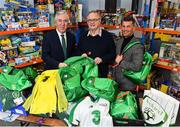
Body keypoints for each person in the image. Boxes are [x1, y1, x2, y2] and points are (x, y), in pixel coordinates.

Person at [77, 10, 116, 78]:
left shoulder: (108, 36)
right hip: (85, 75)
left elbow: (112, 54)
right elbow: (77, 50)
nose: (92, 22)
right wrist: (82, 54)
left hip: (101, 75)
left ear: (100, 21)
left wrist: (102, 59)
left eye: (95, 19)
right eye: (89, 20)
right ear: (87, 22)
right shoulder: (83, 36)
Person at [112, 16, 144, 90]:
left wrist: (120, 62)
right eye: (123, 26)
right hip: (116, 82)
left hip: (128, 85)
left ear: (133, 28)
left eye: (128, 26)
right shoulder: (119, 41)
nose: (125, 29)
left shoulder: (138, 46)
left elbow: (137, 67)